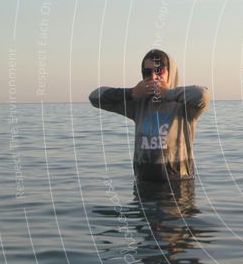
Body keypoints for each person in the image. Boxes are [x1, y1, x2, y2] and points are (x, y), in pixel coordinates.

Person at [89, 49, 210, 183]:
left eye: (159, 70)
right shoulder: (138, 104)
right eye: (147, 72)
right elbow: (94, 97)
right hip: (143, 185)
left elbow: (202, 95)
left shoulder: (185, 107)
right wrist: (131, 93)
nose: (153, 77)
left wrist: (166, 93)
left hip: (179, 185)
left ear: (170, 72)